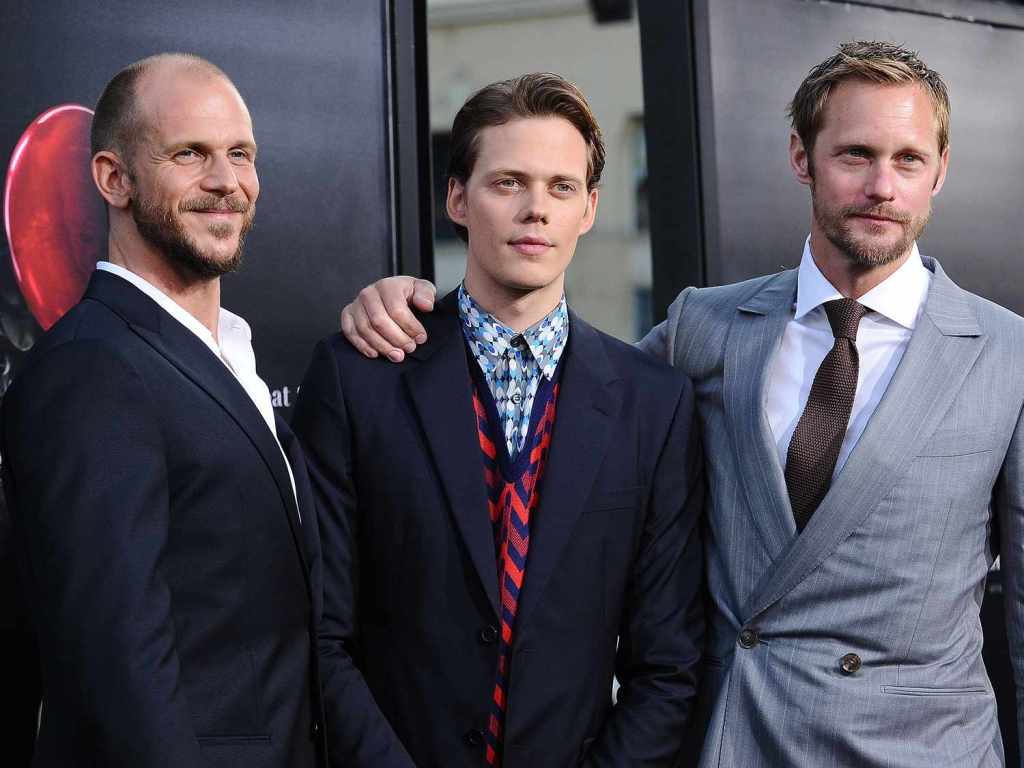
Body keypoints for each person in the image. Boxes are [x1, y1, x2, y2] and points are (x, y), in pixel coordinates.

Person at [338, 42, 1024, 766]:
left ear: (940, 170)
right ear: (802, 157)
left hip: (921, 750)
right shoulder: (706, 327)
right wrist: (409, 305)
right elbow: (565, 378)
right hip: (739, 742)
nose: (882, 186)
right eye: (856, 155)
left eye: (909, 160)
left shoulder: (1007, 355)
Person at [292, 73, 704, 768]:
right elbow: (319, 632)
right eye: (508, 183)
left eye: (561, 187)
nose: (536, 209)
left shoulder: (654, 404)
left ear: (590, 209)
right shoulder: (358, 376)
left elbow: (667, 665)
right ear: (457, 198)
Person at [1, 53, 325, 767]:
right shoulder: (90, 371)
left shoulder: (228, 355)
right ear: (113, 179)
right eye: (190, 154)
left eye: (241, 154)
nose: (227, 181)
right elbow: (119, 673)